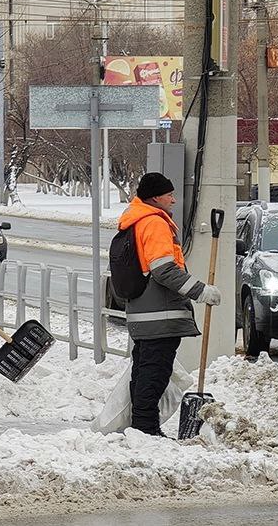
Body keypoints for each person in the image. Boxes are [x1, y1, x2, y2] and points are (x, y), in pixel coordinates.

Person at [117, 172, 221, 437]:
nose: (174, 200)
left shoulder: (137, 220)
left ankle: (142, 425)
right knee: (154, 372)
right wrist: (201, 291)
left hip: (144, 313)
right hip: (159, 315)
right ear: (155, 197)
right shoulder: (153, 223)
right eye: (169, 195)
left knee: (145, 370)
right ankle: (145, 427)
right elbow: (163, 270)